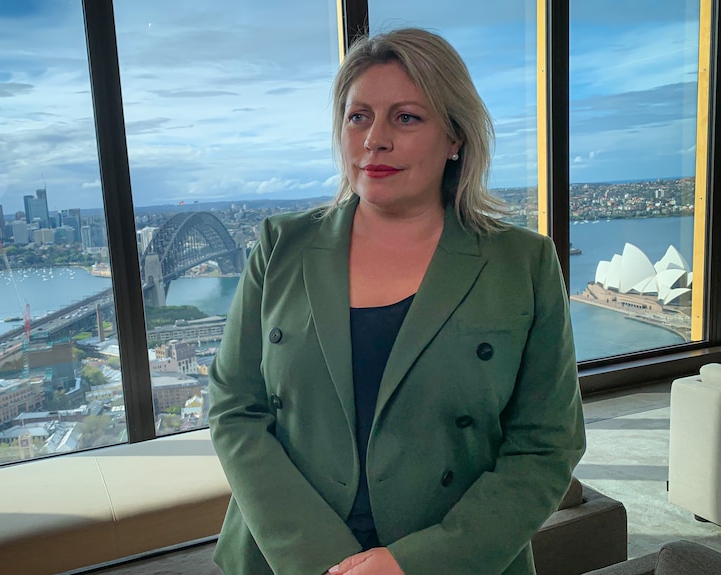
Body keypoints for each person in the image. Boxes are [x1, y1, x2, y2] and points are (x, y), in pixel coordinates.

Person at [208, 27, 585, 575]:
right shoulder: (280, 246)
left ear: (455, 137)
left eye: (406, 117)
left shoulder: (523, 263)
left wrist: (418, 564)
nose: (374, 140)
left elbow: (546, 445)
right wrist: (323, 561)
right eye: (359, 116)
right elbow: (234, 408)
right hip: (284, 558)